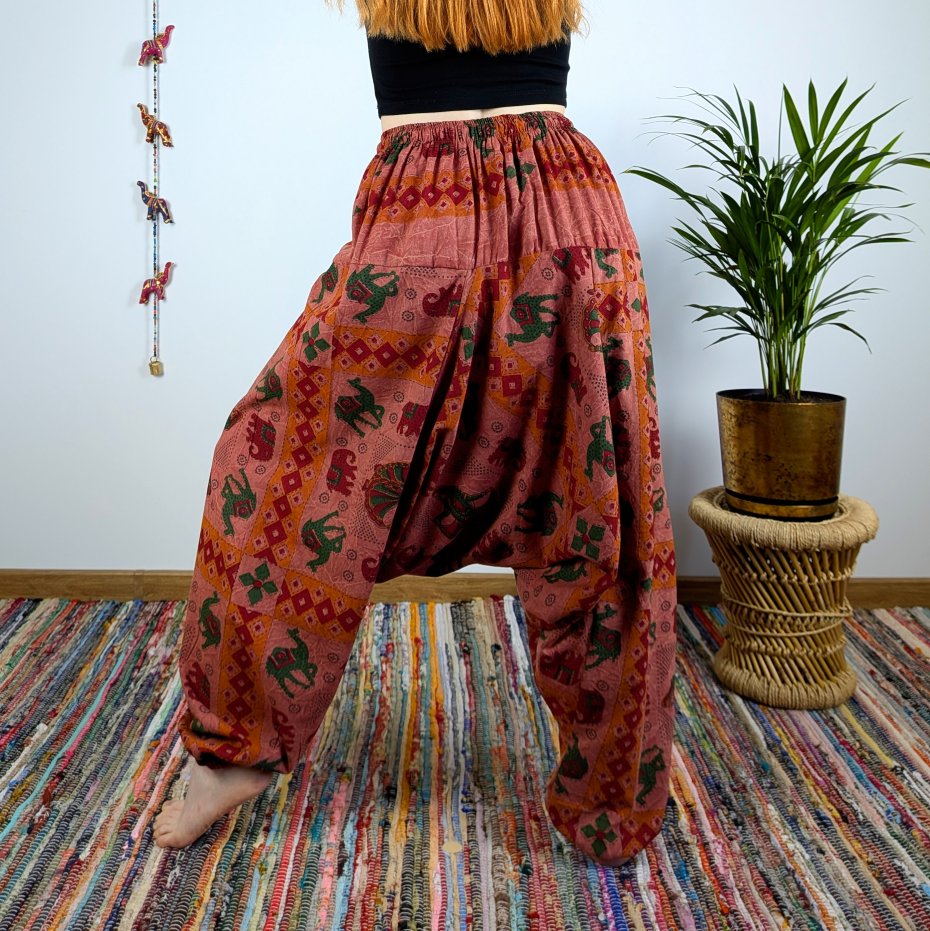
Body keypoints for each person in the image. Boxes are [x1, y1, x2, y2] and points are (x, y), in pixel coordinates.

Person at [154, 0, 677, 867]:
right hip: (550, 214)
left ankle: (237, 751)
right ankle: (613, 797)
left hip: (464, 213)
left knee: (593, 503)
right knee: (598, 507)